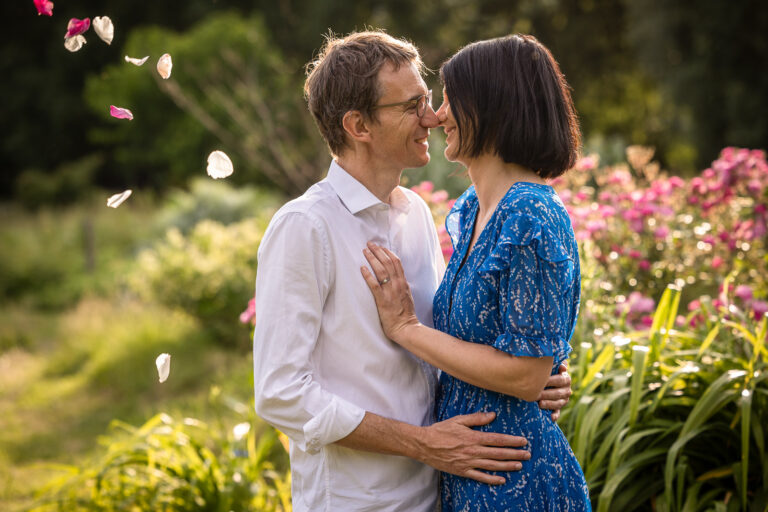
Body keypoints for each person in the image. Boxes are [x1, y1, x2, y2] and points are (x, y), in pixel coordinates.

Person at [253, 31, 572, 512]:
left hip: (446, 490)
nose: (432, 116)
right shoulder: (305, 227)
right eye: (411, 106)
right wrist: (421, 442)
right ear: (359, 125)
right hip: (357, 501)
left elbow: (444, 337)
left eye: (429, 100)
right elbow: (280, 394)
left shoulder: (416, 214)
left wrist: (536, 372)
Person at [361, 34, 591, 510]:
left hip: (515, 477)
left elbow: (526, 377)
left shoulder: (529, 214)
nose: (438, 115)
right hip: (470, 471)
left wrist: (406, 329)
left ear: (491, 107)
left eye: (449, 100)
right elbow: (511, 351)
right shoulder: (472, 211)